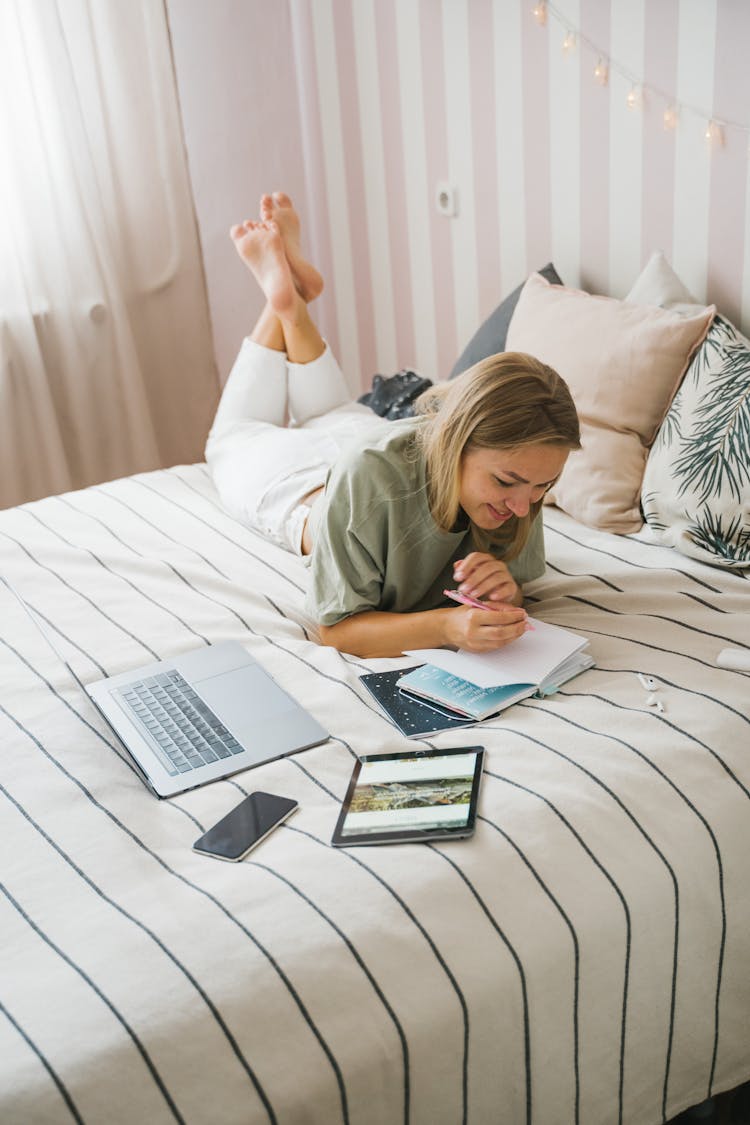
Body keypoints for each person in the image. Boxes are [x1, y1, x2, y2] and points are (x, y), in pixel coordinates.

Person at [206, 192, 581, 659]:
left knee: (333, 407)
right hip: (301, 486)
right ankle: (280, 298)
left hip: (361, 433)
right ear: (455, 442)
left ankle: (290, 296)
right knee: (230, 437)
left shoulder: (523, 470)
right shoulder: (370, 477)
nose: (525, 507)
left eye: (543, 487)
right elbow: (337, 631)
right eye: (508, 482)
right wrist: (447, 626)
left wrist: (506, 591)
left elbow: (515, 580)